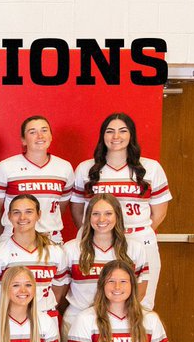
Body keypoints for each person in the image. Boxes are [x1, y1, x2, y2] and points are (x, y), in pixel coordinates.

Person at [70, 113, 171, 308]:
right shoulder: (86, 168)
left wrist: (132, 232)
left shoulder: (150, 168)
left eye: (122, 131)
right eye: (110, 131)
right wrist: (98, 232)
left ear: (131, 135)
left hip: (138, 238)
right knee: (96, 301)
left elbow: (159, 213)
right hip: (99, 240)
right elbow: (78, 210)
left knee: (141, 304)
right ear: (103, 136)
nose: (116, 136)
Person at [62, 194, 148, 335]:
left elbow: (139, 291)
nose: (102, 219)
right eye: (96, 214)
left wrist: (116, 316)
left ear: (118, 216)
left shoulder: (134, 249)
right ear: (88, 217)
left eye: (108, 213)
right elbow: (59, 294)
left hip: (118, 322)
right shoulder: (71, 249)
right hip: (76, 321)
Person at [0, 194, 68, 316]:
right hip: (8, 321)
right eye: (16, 212)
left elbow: (58, 292)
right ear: (9, 216)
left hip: (45, 321)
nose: (22, 217)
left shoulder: (55, 252)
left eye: (29, 212)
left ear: (39, 215)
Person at [0, 115, 74, 243]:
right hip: (15, 236)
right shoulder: (5, 167)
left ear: (51, 136)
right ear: (23, 140)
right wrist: (7, 239)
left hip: (51, 238)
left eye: (44, 130)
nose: (40, 136)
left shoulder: (64, 167)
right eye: (32, 132)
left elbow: (60, 207)